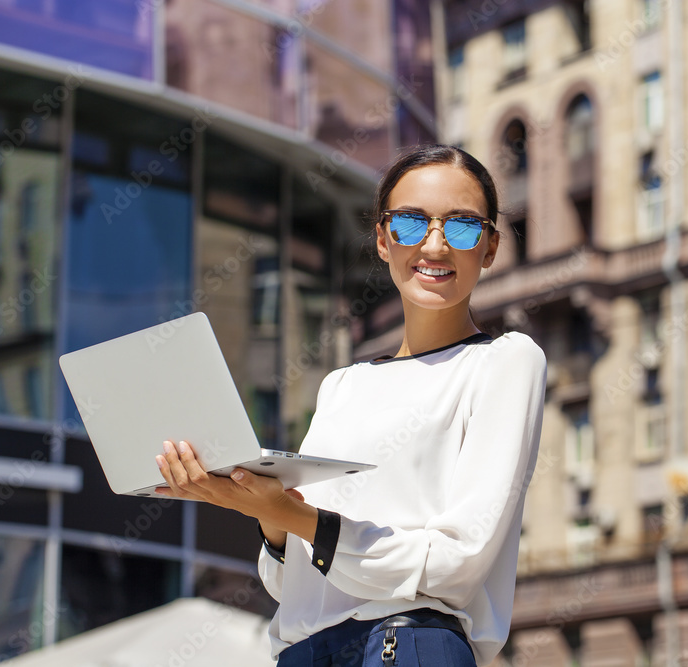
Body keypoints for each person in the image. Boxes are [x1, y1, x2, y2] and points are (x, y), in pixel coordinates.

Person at [154, 144, 547, 666]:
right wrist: (264, 512)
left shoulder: (505, 361)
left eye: (462, 226)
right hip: (302, 652)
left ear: (491, 246)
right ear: (383, 240)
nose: (434, 245)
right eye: (410, 223)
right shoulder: (343, 385)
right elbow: (288, 580)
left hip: (406, 646)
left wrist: (297, 518)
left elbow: (457, 563)